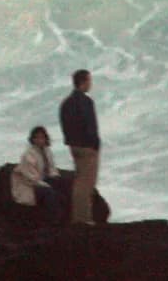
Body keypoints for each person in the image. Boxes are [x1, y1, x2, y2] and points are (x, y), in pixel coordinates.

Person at [59, 69, 100, 225]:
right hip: (87, 147)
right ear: (83, 82)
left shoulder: (66, 103)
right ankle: (83, 218)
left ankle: (79, 217)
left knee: (79, 180)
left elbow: (64, 125)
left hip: (73, 146)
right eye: (89, 80)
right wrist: (94, 144)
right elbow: (90, 125)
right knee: (86, 183)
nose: (90, 84)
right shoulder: (86, 102)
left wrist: (70, 141)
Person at [11, 126, 64, 223]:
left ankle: (64, 215)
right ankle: (54, 219)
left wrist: (55, 176)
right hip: (29, 184)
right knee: (49, 192)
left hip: (42, 179)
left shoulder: (47, 151)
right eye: (37, 138)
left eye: (42, 137)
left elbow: (52, 168)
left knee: (61, 184)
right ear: (32, 139)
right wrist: (46, 185)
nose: (40, 140)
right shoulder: (28, 154)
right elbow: (30, 177)